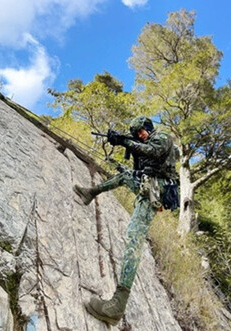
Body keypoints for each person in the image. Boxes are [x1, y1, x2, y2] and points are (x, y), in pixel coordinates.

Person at [74, 115, 179, 326]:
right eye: (137, 133)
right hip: (148, 185)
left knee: (133, 236)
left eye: (141, 131)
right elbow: (142, 164)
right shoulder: (144, 143)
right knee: (125, 176)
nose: (140, 135)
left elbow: (154, 151)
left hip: (156, 193)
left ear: (148, 127)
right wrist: (126, 145)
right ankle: (90, 192)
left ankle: (117, 306)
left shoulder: (163, 138)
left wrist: (125, 142)